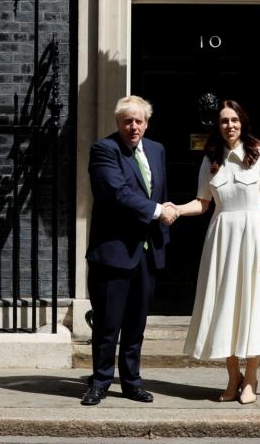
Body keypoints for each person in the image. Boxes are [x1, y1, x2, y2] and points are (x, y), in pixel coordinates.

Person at [170, 100, 260, 404]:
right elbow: (202, 203)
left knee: (253, 307)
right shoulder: (211, 159)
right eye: (224, 121)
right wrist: (175, 210)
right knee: (225, 307)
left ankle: (251, 378)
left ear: (243, 122)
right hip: (222, 240)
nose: (229, 126)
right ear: (218, 126)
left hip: (254, 237)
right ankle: (232, 377)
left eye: (234, 120)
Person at [81, 95, 178, 406]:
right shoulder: (104, 150)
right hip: (113, 253)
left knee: (136, 325)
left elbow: (160, 192)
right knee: (108, 325)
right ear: (118, 123)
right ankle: (99, 382)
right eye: (127, 121)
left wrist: (163, 218)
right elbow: (116, 192)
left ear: (146, 123)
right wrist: (157, 211)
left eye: (138, 121)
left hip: (147, 253)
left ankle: (132, 382)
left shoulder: (157, 150)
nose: (133, 126)